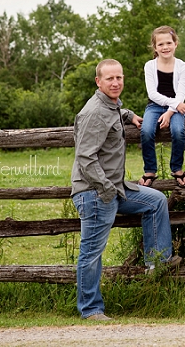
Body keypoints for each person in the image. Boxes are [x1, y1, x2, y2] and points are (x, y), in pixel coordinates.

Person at [71, 59, 179, 321]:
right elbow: (85, 158)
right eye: (110, 79)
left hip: (114, 188)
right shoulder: (94, 112)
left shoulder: (111, 106)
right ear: (98, 82)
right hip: (95, 192)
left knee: (155, 201)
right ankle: (91, 309)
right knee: (92, 253)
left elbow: (116, 113)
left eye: (119, 77)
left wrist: (128, 114)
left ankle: (156, 264)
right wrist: (106, 191)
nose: (116, 82)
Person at [139, 26, 185, 189]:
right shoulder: (149, 66)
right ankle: (150, 171)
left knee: (178, 131)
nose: (165, 47)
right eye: (160, 44)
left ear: (175, 44)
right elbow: (152, 94)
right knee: (146, 131)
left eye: (169, 43)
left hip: (175, 109)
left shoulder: (182, 66)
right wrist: (175, 105)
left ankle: (176, 169)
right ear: (155, 47)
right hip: (154, 106)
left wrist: (170, 112)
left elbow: (181, 94)